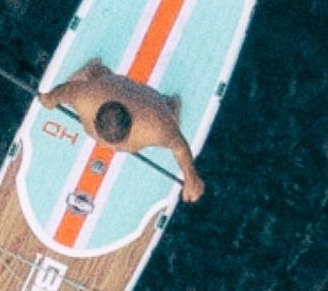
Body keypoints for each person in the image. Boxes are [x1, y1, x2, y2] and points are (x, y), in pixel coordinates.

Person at [40, 63, 208, 202]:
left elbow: (179, 146)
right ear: (96, 117)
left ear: (131, 125)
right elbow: (65, 91)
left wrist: (191, 177)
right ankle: (96, 68)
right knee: (95, 76)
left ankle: (170, 102)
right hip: (108, 86)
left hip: (151, 102)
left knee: (171, 113)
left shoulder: (155, 126)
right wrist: (49, 98)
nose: (109, 147)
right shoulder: (85, 97)